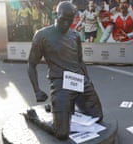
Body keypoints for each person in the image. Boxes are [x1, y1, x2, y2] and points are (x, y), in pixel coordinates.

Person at [27, 1, 103, 140]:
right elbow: (31, 64)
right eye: (63, 19)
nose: (65, 24)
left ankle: (64, 108)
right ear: (56, 15)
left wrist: (88, 81)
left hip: (79, 81)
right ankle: (36, 118)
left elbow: (80, 61)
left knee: (97, 117)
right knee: (61, 133)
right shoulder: (42, 35)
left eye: (69, 20)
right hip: (60, 84)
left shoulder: (75, 36)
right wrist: (36, 90)